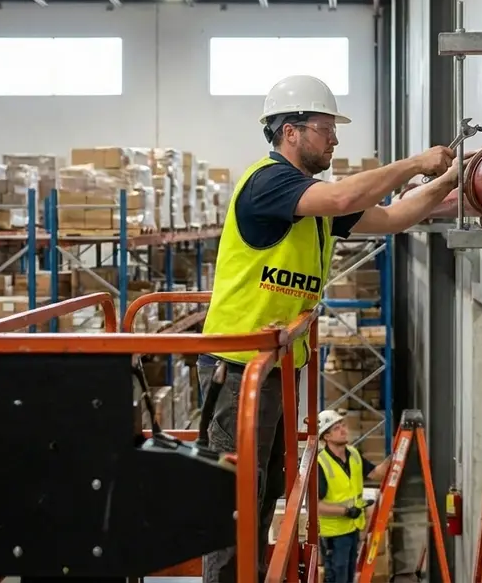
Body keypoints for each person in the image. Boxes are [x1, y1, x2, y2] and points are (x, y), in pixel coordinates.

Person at [197, 74, 462, 582]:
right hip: (237, 368)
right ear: (290, 132)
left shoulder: (309, 205)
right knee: (236, 500)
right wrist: (412, 163)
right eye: (325, 128)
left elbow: (392, 218)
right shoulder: (268, 183)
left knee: (266, 490)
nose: (335, 139)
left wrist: (448, 181)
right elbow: (342, 200)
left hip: (271, 366)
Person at [315, 409, 390, 583]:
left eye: (343, 426)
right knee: (337, 577)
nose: (343, 430)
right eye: (336, 428)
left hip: (352, 529)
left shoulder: (353, 454)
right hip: (333, 534)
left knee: (348, 577)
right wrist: (346, 511)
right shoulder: (321, 463)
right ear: (326, 436)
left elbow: (375, 474)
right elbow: (316, 506)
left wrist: (394, 457)